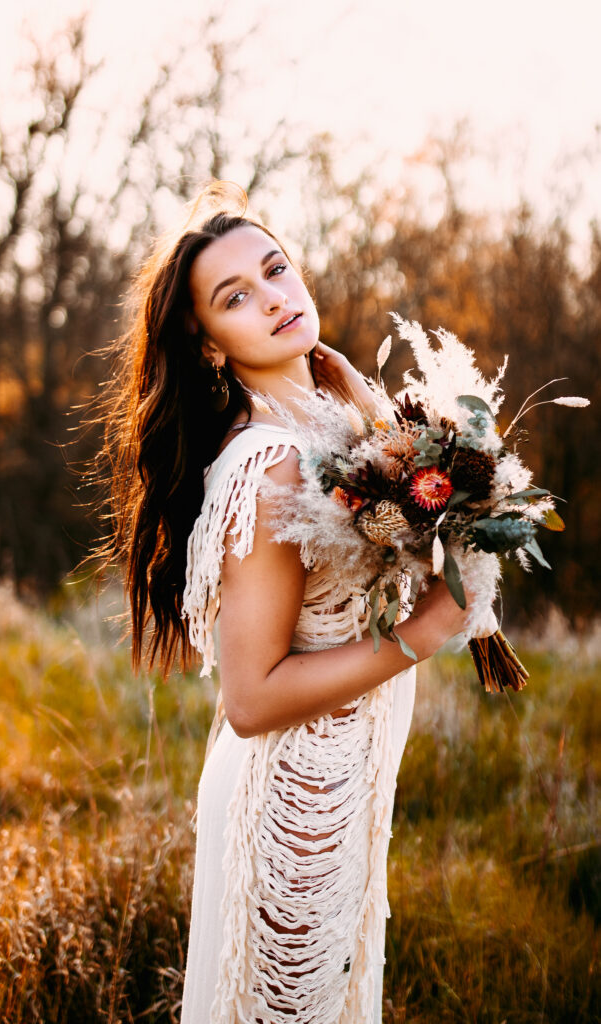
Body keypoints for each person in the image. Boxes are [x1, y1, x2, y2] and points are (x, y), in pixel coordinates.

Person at [98, 182, 472, 1023]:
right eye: (236, 297)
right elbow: (251, 696)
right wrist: (421, 634)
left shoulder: (328, 427)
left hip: (350, 788)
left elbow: (411, 530)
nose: (272, 299)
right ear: (205, 343)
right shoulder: (267, 463)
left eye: (276, 270)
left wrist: (372, 417)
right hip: (294, 807)